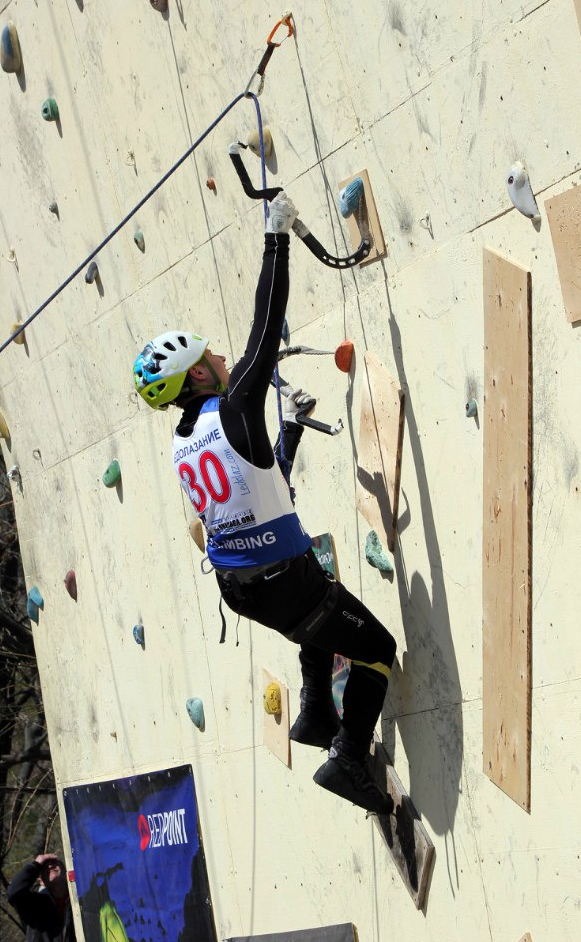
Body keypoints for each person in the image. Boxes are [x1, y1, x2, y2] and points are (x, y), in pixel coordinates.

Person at [133, 186, 397, 815]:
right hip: (279, 582)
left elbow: (256, 487)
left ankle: (310, 713)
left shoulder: (184, 442)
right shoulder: (233, 408)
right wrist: (276, 234)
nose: (223, 356)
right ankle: (349, 759)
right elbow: (263, 321)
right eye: (210, 355)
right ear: (199, 374)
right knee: (377, 649)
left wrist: (294, 430)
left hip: (240, 585)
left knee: (318, 594)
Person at [7, 853, 76, 942]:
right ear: (41, 881)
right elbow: (13, 892)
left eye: (54, 863)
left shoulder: (80, 901)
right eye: (44, 868)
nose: (50, 866)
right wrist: (37, 863)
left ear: (65, 872)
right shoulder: (34, 905)